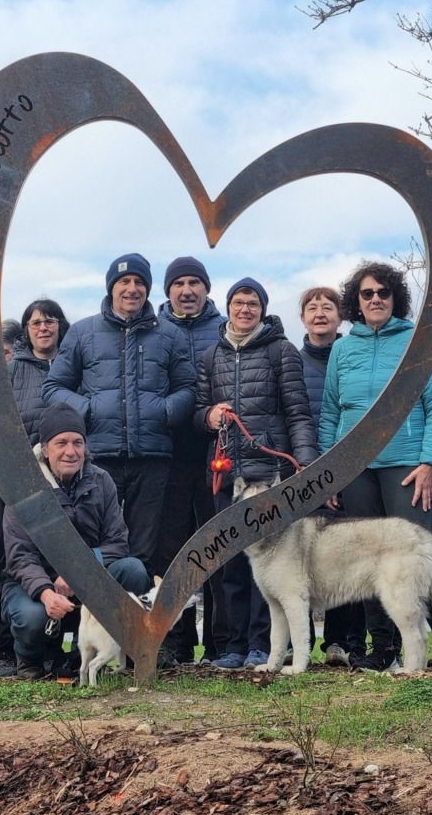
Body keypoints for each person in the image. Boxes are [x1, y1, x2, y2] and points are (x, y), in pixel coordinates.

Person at [319, 261, 432, 672]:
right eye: (366, 293)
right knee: (369, 566)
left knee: (411, 563)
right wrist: (330, 475)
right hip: (355, 471)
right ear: (356, 302)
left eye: (383, 292)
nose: (375, 299)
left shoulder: (418, 341)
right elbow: (328, 414)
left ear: (395, 297)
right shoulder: (342, 349)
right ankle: (383, 650)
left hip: (407, 468)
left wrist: (430, 461)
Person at [44, 253, 197, 574]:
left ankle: (134, 619)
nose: (132, 289)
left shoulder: (170, 335)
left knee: (144, 550)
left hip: (152, 459)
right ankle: (89, 621)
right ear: (111, 287)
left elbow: (188, 389)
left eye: (139, 282)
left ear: (148, 289)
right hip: (98, 458)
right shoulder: (83, 333)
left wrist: (164, 412)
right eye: (124, 282)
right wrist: (89, 412)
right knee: (93, 543)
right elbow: (54, 387)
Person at [195, 277, 318, 670]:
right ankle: (233, 646)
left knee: (272, 564)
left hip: (271, 474)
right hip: (228, 476)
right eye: (238, 303)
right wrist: (209, 416)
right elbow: (198, 412)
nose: (244, 309)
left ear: (262, 309)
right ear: (228, 307)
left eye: (252, 303)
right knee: (231, 562)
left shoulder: (282, 351)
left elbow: (298, 413)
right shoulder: (210, 355)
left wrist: (305, 467)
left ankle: (262, 646)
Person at [1, 403, 150, 679]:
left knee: (133, 571)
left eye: (77, 443)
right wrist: (46, 592)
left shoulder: (102, 481)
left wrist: (78, 572)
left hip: (88, 582)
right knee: (31, 618)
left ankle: (101, 656)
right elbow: (19, 556)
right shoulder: (23, 489)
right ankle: (30, 660)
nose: (71, 451)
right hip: (36, 586)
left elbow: (118, 542)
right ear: (45, 449)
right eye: (61, 443)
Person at [0, 298, 70, 678]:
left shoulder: (71, 366)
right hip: (18, 488)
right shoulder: (11, 371)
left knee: (65, 567)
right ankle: (8, 650)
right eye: (36, 322)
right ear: (27, 329)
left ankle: (58, 652)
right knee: (12, 567)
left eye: (50, 321)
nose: (44, 327)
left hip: (66, 488)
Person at [155, 257, 227, 667]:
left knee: (218, 546)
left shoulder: (223, 328)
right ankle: (175, 641)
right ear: (168, 291)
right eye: (179, 283)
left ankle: (221, 642)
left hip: (216, 453)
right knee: (170, 554)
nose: (187, 290)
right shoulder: (155, 329)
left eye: (194, 282)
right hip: (167, 455)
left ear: (206, 288)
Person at [297, 286, 367, 667]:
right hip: (302, 470)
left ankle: (344, 641)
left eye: (328, 306)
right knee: (301, 557)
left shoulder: (352, 354)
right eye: (312, 307)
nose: (320, 312)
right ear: (303, 316)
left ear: (341, 316)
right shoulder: (291, 360)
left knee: (345, 556)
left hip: (348, 467)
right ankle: (301, 638)